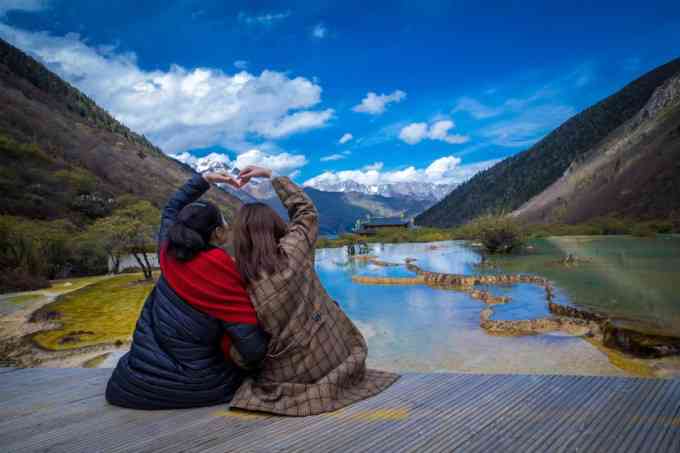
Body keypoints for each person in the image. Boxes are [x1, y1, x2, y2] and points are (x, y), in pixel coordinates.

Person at [228, 165, 399, 416]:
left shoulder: (238, 278)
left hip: (284, 374)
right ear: (275, 227)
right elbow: (305, 212)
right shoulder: (293, 251)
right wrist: (272, 176)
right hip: (332, 358)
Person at [106, 172, 269, 410]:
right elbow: (253, 350)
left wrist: (205, 179)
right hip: (198, 385)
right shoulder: (221, 272)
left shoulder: (168, 252)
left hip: (132, 383)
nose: (227, 226)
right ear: (216, 234)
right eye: (224, 222)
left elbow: (172, 208)